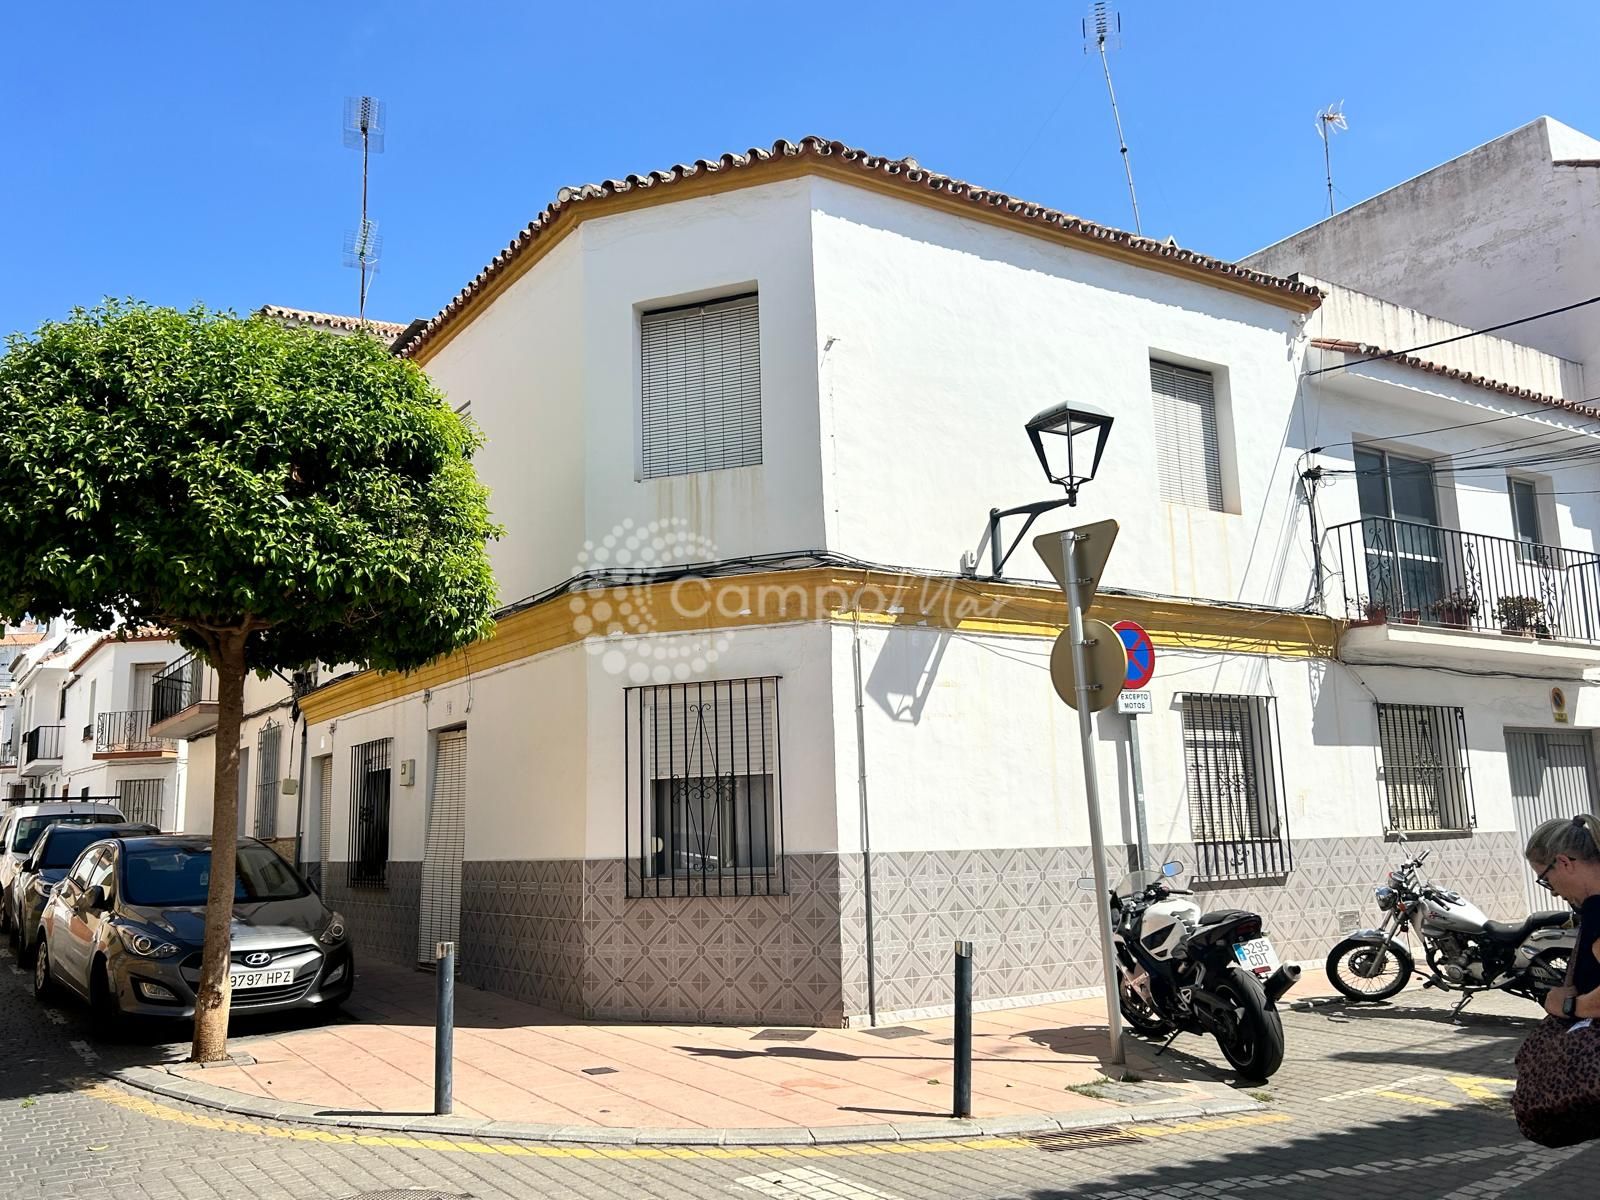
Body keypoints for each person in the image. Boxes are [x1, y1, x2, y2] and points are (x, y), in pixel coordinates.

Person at [1525, 813, 1600, 1020]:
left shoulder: (1597, 908)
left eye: (1546, 879)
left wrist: (1569, 1006)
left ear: (1564, 862)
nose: (1553, 892)